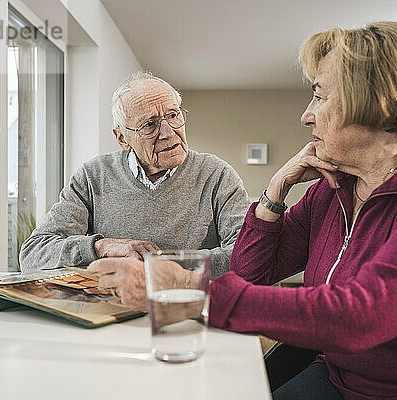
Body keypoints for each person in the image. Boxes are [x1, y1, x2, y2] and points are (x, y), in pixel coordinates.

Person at [88, 22, 397, 399]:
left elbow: (356, 319)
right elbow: (252, 270)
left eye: (319, 96)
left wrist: (185, 291)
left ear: (374, 104)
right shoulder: (334, 188)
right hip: (342, 374)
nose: (305, 116)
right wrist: (276, 191)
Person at [19, 72, 250, 279]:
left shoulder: (217, 175)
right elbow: (34, 254)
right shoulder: (92, 176)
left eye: (173, 115)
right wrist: (102, 247)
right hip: (109, 313)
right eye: (150, 125)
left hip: (185, 308)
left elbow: (248, 256)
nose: (168, 133)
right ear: (122, 138)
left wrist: (157, 268)